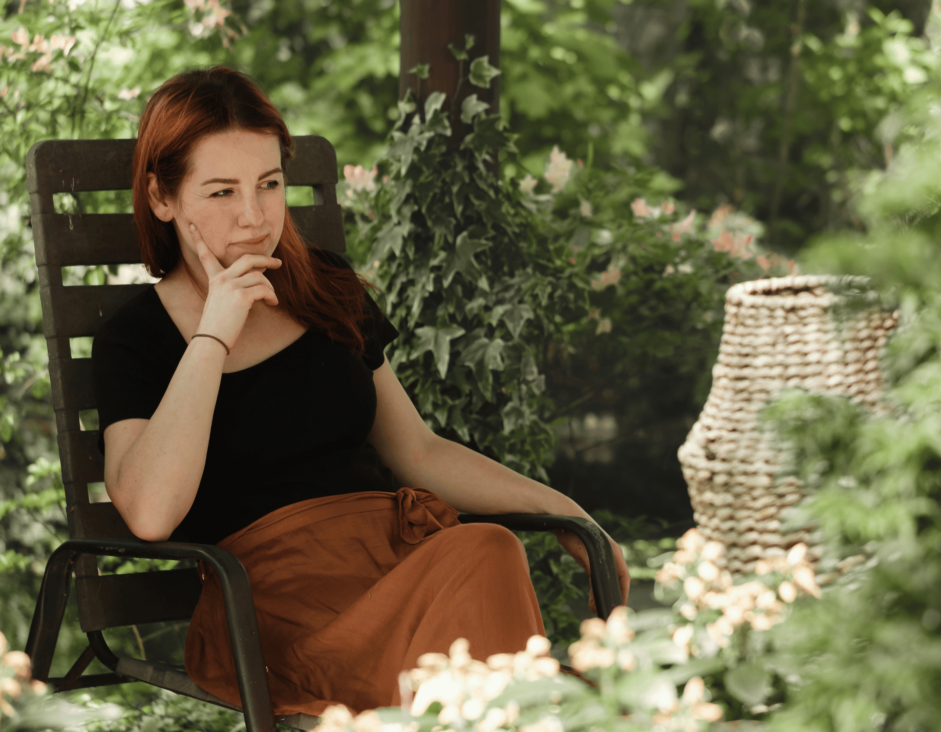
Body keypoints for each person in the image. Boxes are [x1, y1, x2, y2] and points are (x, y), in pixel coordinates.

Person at [92, 65, 630, 717]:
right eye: (221, 192)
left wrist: (567, 511)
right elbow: (150, 513)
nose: (253, 217)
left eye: (269, 184)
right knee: (490, 582)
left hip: (397, 569)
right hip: (275, 614)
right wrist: (213, 335)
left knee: (485, 553)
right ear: (161, 198)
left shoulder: (325, 289)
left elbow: (420, 453)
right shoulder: (138, 337)